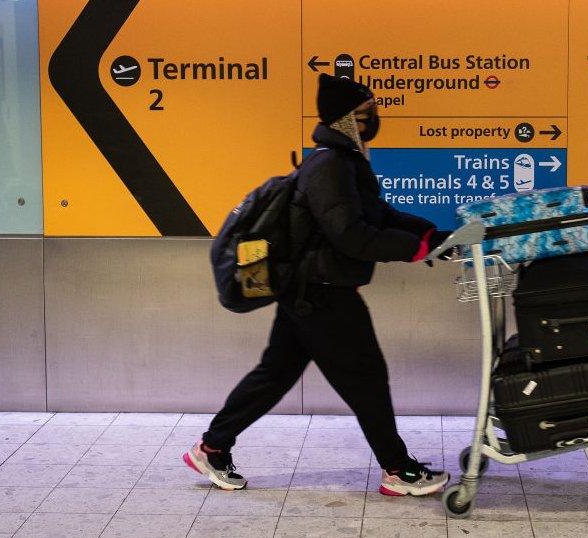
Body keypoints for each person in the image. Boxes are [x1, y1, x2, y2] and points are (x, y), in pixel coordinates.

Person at [185, 74, 451, 496]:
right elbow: (352, 235)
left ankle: (213, 447)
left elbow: (377, 215)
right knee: (365, 378)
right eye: (366, 113)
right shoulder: (330, 165)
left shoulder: (343, 161)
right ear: (347, 119)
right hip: (322, 293)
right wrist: (416, 249)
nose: (374, 119)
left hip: (309, 292)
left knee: (275, 374)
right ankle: (397, 469)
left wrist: (432, 236)